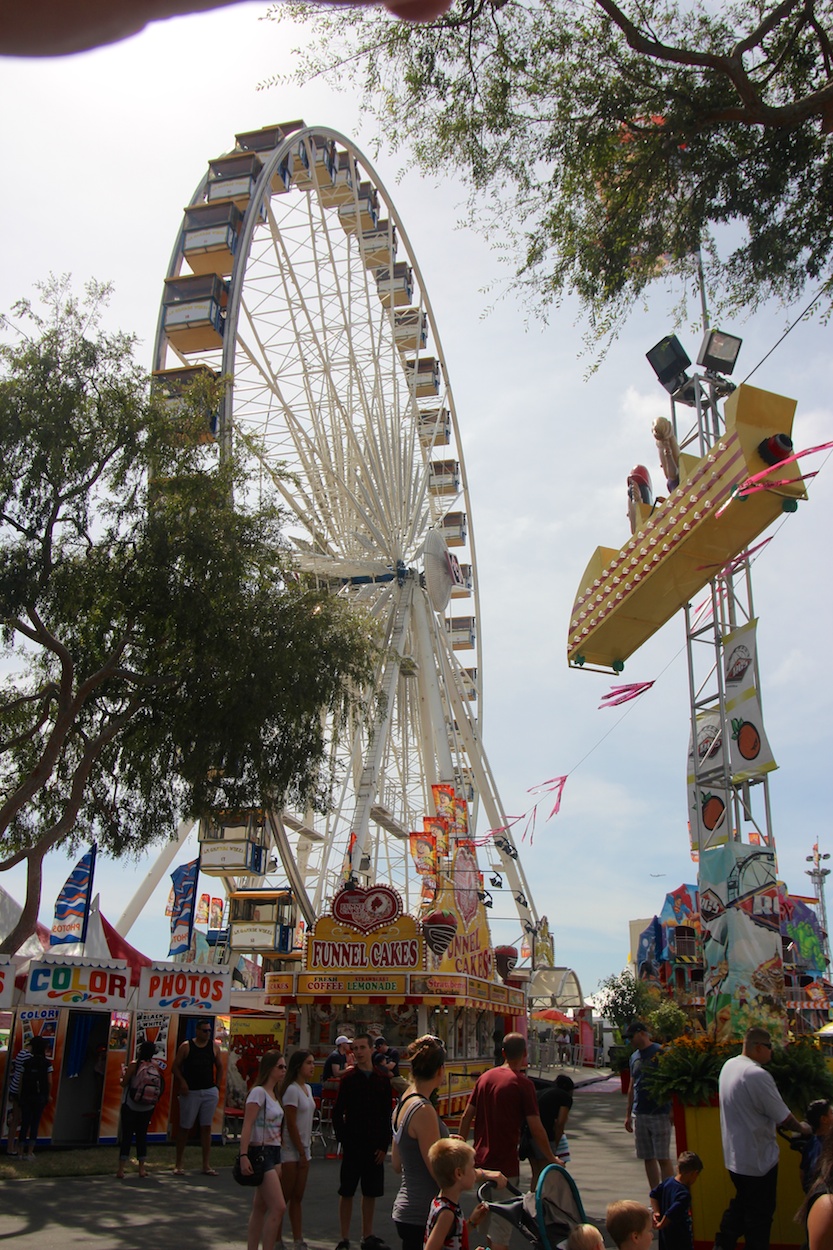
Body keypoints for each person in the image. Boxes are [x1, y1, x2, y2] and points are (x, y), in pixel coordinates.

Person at [391, 1035, 505, 1250]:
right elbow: (440, 1172)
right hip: (425, 1213)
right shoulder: (423, 1110)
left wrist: (443, 1141)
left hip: (408, 1208)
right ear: (441, 1070)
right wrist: (484, 1174)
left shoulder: (404, 1102)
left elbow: (398, 1163)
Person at [715, 1025, 811, 1250]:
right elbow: (784, 1118)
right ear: (758, 1047)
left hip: (736, 1158)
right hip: (759, 1161)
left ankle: (722, 1244)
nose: (771, 1052)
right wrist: (805, 1129)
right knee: (759, 1219)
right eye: (769, 1047)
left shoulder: (730, 1066)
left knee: (740, 1208)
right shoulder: (756, 1074)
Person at [459, 1032, 557, 1250]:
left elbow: (467, 1116)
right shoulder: (522, 1084)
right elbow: (536, 1126)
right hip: (505, 1168)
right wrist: (551, 1157)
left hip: (481, 1164)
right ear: (525, 1053)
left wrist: (459, 1148)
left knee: (487, 1221)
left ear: (502, 1053)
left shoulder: (485, 1078)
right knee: (501, 1231)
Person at [332, 1032, 394, 1250]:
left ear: (371, 1049)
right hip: (353, 1144)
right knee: (347, 1190)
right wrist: (344, 1139)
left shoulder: (382, 1079)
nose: (357, 1052)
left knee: (371, 1191)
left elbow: (387, 1114)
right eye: (354, 1048)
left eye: (361, 1048)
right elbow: (337, 1112)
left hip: (374, 1145)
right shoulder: (348, 1079)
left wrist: (383, 1144)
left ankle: (367, 1234)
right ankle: (343, 1237)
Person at [239, 1050, 288, 1250]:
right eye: (280, 1067)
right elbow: (247, 1124)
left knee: (261, 1206)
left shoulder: (274, 1095)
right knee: (279, 1207)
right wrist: (243, 1155)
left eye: (285, 1067)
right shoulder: (258, 1092)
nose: (284, 1070)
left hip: (274, 1151)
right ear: (269, 1068)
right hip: (260, 1150)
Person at [624, 1021, 673, 1188]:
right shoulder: (634, 1057)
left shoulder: (661, 1053)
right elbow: (632, 1085)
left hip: (659, 1112)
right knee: (647, 1157)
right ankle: (656, 1196)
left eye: (631, 1036)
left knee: (663, 1157)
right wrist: (628, 1114)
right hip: (640, 1113)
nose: (630, 1041)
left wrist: (672, 1108)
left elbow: (671, 1081)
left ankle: (669, 1194)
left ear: (642, 1033)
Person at [172, 1017, 223, 1175]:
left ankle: (206, 1164)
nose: (207, 1033)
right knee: (185, 1127)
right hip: (191, 1091)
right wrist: (182, 1082)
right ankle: (179, 1163)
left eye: (209, 1030)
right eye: (204, 1030)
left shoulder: (214, 1047)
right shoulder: (187, 1046)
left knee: (206, 1127)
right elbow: (175, 1067)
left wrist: (217, 1085)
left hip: (209, 1090)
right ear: (197, 1031)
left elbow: (220, 1066)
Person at [278, 1049, 317, 1250]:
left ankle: (297, 1237)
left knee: (298, 1197)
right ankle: (276, 1237)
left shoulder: (308, 1089)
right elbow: (291, 1124)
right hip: (291, 1149)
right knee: (284, 1196)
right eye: (308, 1063)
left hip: (305, 1148)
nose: (312, 1066)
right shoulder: (292, 1090)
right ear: (299, 1066)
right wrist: (300, 1151)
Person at [423, 1138, 489, 1250]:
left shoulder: (442, 1203)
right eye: (472, 1167)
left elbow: (452, 1239)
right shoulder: (447, 1214)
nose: (475, 1172)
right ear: (458, 1173)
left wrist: (472, 1222)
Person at [117, 1040, 165, 1179]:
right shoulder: (155, 1066)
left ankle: (121, 1169)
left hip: (131, 1104)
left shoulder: (134, 1065)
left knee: (127, 1135)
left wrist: (122, 1076)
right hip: (148, 1106)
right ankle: (142, 1169)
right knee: (141, 1136)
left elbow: (124, 1083)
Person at [649, 1150, 703, 1250]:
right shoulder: (684, 1194)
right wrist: (661, 1224)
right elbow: (672, 1212)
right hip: (680, 1237)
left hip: (665, 1235)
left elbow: (654, 1194)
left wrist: (656, 1212)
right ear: (694, 1173)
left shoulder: (668, 1182)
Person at [529, 1074, 574, 1185]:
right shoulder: (565, 1097)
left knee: (536, 1174)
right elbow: (560, 1123)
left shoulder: (541, 1093)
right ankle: (543, 1201)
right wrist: (555, 1147)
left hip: (528, 1135)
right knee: (547, 1174)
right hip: (545, 1136)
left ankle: (533, 1199)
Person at [17, 1036, 52, 1160]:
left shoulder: (26, 1063)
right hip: (40, 1096)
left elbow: (21, 1080)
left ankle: (20, 1152)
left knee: (25, 1122)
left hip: (26, 1096)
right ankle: (30, 1152)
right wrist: (48, 1095)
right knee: (35, 1123)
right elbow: (49, 1082)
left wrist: (20, 1095)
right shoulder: (47, 1063)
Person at [800, 1100, 833, 1193]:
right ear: (824, 1119)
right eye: (831, 1113)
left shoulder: (810, 1145)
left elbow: (802, 1173)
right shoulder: (827, 1145)